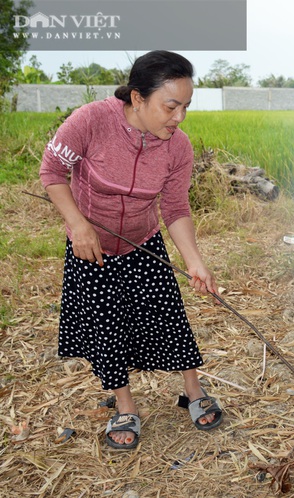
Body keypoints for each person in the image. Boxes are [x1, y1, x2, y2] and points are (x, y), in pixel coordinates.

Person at [39, 50, 223, 450]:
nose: (179, 118)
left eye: (186, 107)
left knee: (169, 316)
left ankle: (193, 389)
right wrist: (78, 224)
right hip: (92, 245)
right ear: (138, 98)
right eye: (170, 106)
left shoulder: (178, 147)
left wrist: (195, 263)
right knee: (106, 325)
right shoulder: (91, 121)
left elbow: (175, 208)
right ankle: (125, 406)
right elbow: (52, 171)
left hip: (142, 241)